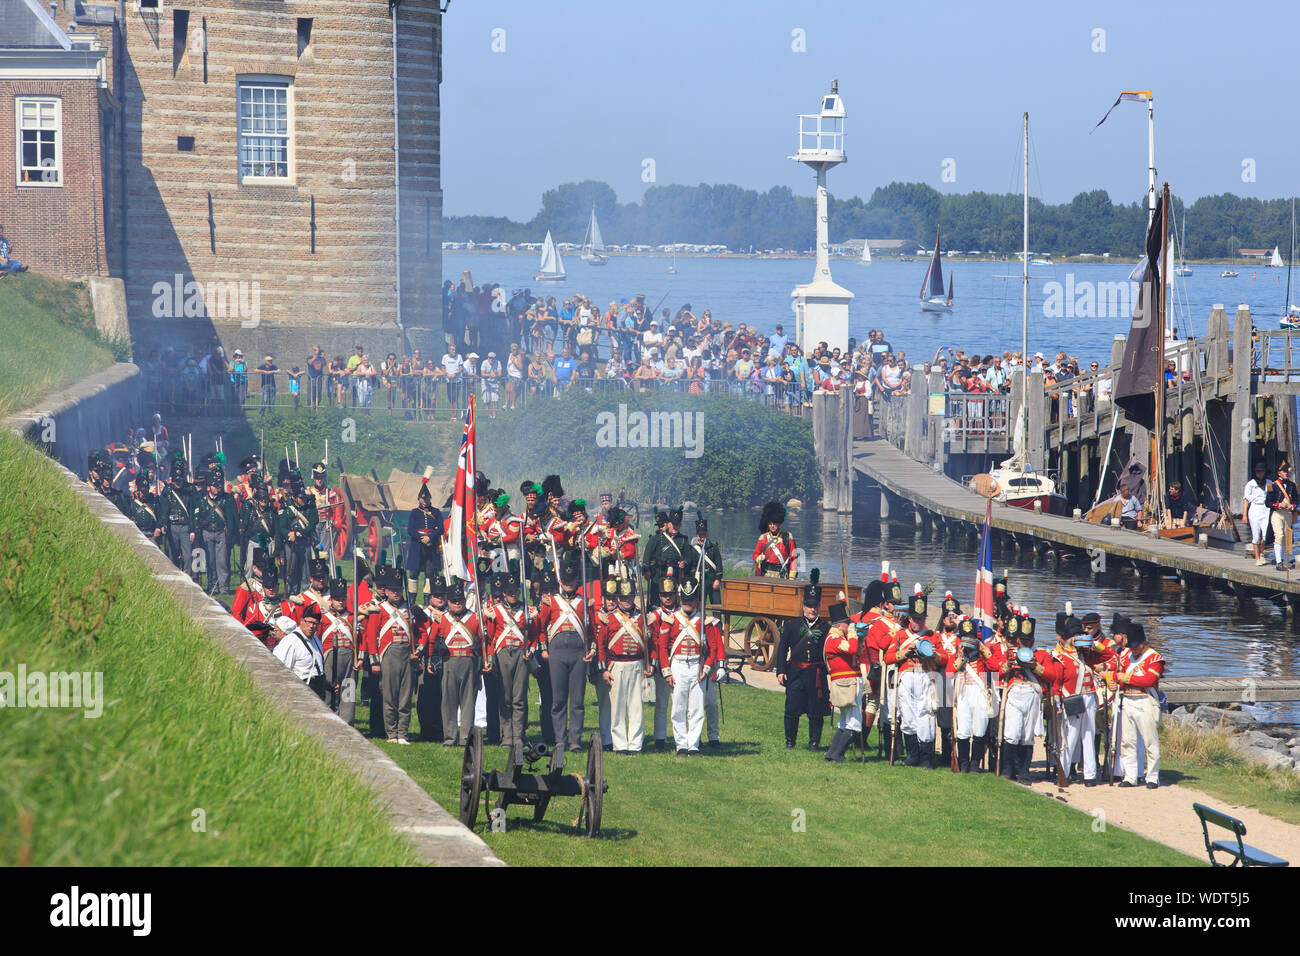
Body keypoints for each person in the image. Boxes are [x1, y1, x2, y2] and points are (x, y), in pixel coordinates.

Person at [885, 585, 950, 768]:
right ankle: (912, 755)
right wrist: (905, 652)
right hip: (906, 678)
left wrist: (932, 655)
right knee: (907, 715)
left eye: (921, 619)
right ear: (909, 619)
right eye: (915, 619)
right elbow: (888, 657)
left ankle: (926, 757)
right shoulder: (899, 635)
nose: (918, 623)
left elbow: (944, 658)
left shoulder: (932, 636)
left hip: (926, 677)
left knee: (926, 714)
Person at [658, 576, 721, 755]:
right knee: (678, 707)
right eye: (685, 600)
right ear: (680, 599)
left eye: (691, 600)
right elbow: (662, 647)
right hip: (677, 664)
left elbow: (713, 647)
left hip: (697, 665)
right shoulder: (670, 619)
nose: (687, 604)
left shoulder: (705, 621)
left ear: (696, 600)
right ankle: (681, 745)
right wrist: (667, 672)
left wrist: (706, 668)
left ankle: (693, 745)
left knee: (697, 708)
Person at [536, 558, 592, 752]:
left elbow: (591, 629)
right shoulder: (550, 602)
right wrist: (544, 648)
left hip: (578, 653)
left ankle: (575, 740)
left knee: (577, 700)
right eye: (565, 580)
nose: (568, 584)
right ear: (560, 582)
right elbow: (540, 627)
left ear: (576, 581)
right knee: (558, 699)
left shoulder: (584, 603)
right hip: (557, 652)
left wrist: (590, 650)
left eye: (571, 580)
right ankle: (560, 738)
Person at [360, 565, 419, 744]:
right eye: (392, 590)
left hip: (406, 654)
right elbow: (371, 636)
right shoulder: (379, 609)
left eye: (398, 590)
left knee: (405, 697)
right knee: (389, 696)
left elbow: (421, 631)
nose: (395, 594)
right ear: (386, 591)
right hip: (388, 654)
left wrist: (419, 650)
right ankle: (391, 734)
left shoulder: (409, 609)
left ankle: (403, 734)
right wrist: (375, 661)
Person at [483, 566, 537, 757]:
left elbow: (534, 636)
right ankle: (506, 735)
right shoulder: (494, 611)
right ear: (503, 593)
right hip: (502, 654)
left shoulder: (527, 611)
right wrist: (490, 659)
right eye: (509, 592)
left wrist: (530, 650)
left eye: (515, 591)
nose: (513, 594)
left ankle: (518, 736)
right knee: (504, 698)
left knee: (519, 699)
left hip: (521, 655)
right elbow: (489, 638)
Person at [775, 573, 830, 750]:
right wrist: (781, 671)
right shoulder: (792, 625)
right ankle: (790, 741)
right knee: (792, 709)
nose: (812, 610)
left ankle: (814, 743)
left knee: (816, 711)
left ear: (819, 606)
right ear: (803, 606)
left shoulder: (826, 628)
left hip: (816, 674)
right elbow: (782, 649)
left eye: (815, 606)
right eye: (809, 606)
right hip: (796, 673)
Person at [427, 578, 483, 747]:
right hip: (448, 662)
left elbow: (482, 640)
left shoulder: (474, 618)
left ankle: (465, 738)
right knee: (449, 702)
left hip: (468, 662)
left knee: (467, 703)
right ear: (449, 602)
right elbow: (432, 640)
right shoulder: (442, 619)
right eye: (454, 601)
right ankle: (450, 738)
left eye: (460, 601)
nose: (458, 604)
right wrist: (431, 660)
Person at [598, 576, 651, 754]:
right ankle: (619, 744)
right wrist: (604, 670)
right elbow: (601, 645)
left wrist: (649, 664)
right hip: (617, 665)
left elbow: (650, 644)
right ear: (617, 598)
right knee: (617, 707)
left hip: (637, 664)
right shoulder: (609, 619)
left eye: (629, 597)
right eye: (622, 597)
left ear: (634, 596)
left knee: (637, 706)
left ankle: (635, 744)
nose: (626, 601)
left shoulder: (643, 618)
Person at [997, 608, 1050, 783]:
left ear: (1032, 640)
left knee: (1027, 736)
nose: (1024, 643)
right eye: (1022, 640)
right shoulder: (1009, 654)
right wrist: (1008, 665)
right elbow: (998, 673)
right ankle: (1007, 769)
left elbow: (1051, 676)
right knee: (1011, 733)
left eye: (1028, 640)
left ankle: (1024, 771)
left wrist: (1034, 666)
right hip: (1014, 693)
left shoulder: (1040, 654)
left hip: (1032, 695)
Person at [1110, 621, 1165, 788]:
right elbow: (1118, 676)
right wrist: (1116, 684)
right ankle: (1130, 775)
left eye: (1136, 646)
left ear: (1143, 643)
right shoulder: (1127, 657)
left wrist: (1124, 679)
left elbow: (1148, 680)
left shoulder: (1154, 658)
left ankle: (1152, 777)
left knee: (1150, 741)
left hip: (1144, 702)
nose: (1134, 649)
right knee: (1128, 741)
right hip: (1127, 700)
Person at [821, 598, 863, 763]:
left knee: (845, 721)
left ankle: (832, 754)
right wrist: (853, 632)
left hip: (847, 681)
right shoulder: (835, 640)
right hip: (847, 682)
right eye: (847, 624)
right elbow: (852, 648)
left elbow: (856, 651)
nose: (848, 626)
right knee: (853, 721)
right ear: (839, 625)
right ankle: (838, 754)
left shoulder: (837, 638)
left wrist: (859, 636)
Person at [319, 579, 359, 724]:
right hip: (328, 657)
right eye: (337, 600)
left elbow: (362, 639)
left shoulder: (353, 617)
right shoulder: (323, 617)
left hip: (349, 658)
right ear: (331, 600)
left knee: (348, 693)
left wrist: (359, 658)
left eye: (343, 599)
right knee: (328, 692)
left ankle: (347, 724)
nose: (340, 603)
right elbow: (317, 639)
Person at [192, 470, 235, 594]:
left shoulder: (225, 500)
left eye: (219, 486)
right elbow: (198, 518)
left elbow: (230, 519)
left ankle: (223, 587)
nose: (218, 488)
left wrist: (230, 535)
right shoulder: (202, 501)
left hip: (221, 532)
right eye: (215, 486)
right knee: (210, 562)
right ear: (209, 487)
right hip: (207, 533)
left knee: (222, 562)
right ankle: (212, 586)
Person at [405, 478, 443, 604]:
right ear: (419, 499)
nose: (424, 500)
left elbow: (441, 528)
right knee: (414, 572)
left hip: (431, 545)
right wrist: (421, 538)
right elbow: (410, 529)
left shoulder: (436, 512)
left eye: (426, 498)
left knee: (429, 572)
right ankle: (412, 599)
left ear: (430, 499)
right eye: (422, 498)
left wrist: (430, 537)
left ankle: (427, 599)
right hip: (417, 545)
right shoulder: (414, 512)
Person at [273, 612, 325, 696]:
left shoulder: (315, 639)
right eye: (308, 622)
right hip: (301, 691)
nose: (311, 626)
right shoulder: (290, 641)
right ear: (301, 621)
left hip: (318, 688)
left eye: (315, 623)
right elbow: (282, 671)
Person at [753, 500, 796, 578]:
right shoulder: (763, 538)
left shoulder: (787, 537)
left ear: (779, 522)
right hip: (765, 574)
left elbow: (793, 558)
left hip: (782, 575)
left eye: (775, 523)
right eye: (770, 523)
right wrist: (758, 558)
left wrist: (792, 576)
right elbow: (755, 554)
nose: (772, 526)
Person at [1266, 461, 1297, 571]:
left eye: (1287, 472)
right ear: (1279, 473)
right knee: (1279, 536)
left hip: (1288, 514)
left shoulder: (1292, 486)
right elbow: (1268, 503)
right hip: (1277, 514)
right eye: (1284, 472)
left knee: (1286, 537)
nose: (1286, 474)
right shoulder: (1272, 486)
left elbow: (1296, 501)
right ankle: (1278, 562)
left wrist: (1292, 506)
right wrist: (1279, 505)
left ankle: (1282, 560)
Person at [1243, 461, 1271, 565]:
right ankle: (1257, 558)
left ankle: (1262, 553)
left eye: (1262, 471)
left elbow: (1272, 496)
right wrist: (1244, 514)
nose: (1260, 473)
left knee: (1265, 534)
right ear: (1255, 472)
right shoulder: (1250, 484)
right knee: (1255, 535)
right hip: (1254, 508)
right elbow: (1246, 499)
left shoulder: (1269, 482)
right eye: (1258, 471)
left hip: (1265, 508)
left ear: (1265, 472)